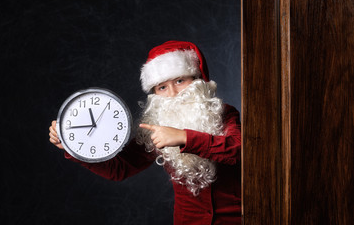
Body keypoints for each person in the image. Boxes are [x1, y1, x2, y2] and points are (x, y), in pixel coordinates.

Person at [49, 41, 241, 225]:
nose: (173, 93)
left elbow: (239, 150)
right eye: (162, 87)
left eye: (180, 80)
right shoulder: (157, 125)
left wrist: (183, 137)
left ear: (197, 80)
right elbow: (120, 169)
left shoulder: (224, 114)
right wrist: (72, 146)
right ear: (155, 93)